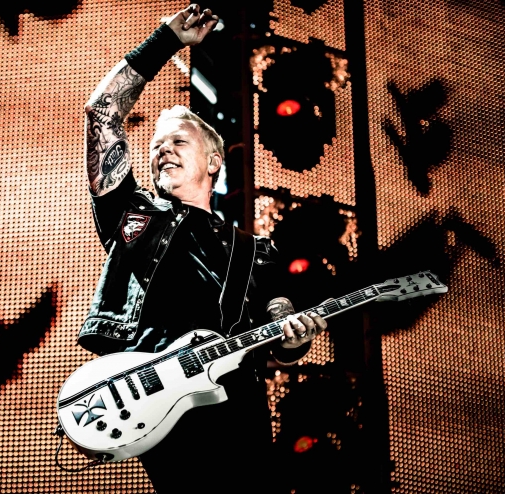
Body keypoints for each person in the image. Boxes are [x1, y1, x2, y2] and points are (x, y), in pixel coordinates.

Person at [78, 4, 328, 491]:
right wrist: (165, 41)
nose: (162, 150)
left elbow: (279, 323)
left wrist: (294, 338)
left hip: (237, 405)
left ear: (213, 162)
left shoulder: (257, 252)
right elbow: (102, 112)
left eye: (178, 141)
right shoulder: (135, 215)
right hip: (157, 396)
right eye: (156, 145)